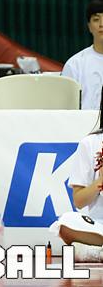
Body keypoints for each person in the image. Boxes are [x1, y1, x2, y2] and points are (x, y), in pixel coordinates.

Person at [51, 87, 103, 262]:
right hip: (99, 226)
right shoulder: (90, 143)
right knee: (66, 223)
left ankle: (95, 253)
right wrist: (100, 181)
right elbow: (79, 201)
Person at [62, 0, 103, 109]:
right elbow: (64, 108)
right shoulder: (75, 64)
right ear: (89, 26)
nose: (102, 24)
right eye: (96, 19)